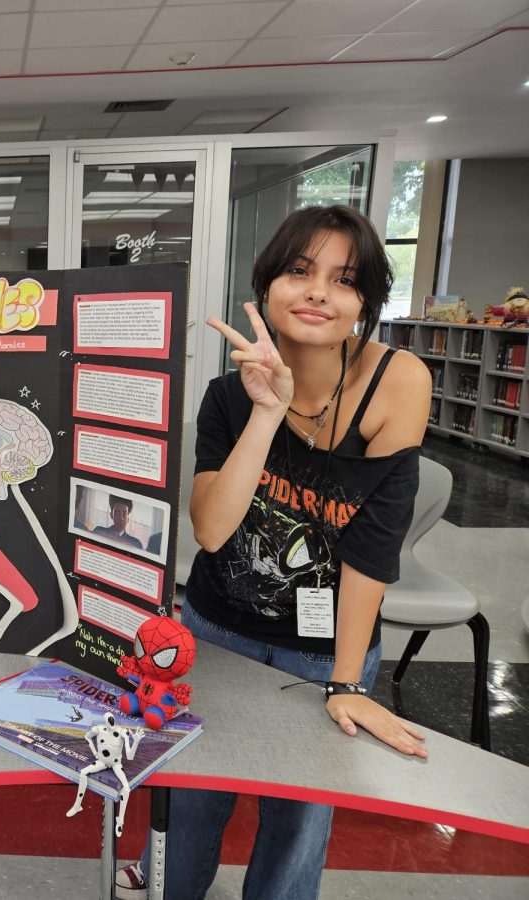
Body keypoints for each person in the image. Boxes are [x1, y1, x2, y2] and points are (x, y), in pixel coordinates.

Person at [118, 205, 430, 900]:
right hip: (217, 624)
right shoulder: (228, 396)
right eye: (299, 270)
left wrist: (347, 682)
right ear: (266, 289)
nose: (319, 290)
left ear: (364, 303)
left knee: (300, 815)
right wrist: (265, 411)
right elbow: (212, 531)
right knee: (193, 789)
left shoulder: (397, 381)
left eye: (343, 280)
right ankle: (168, 882)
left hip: (322, 646)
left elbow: (373, 547)